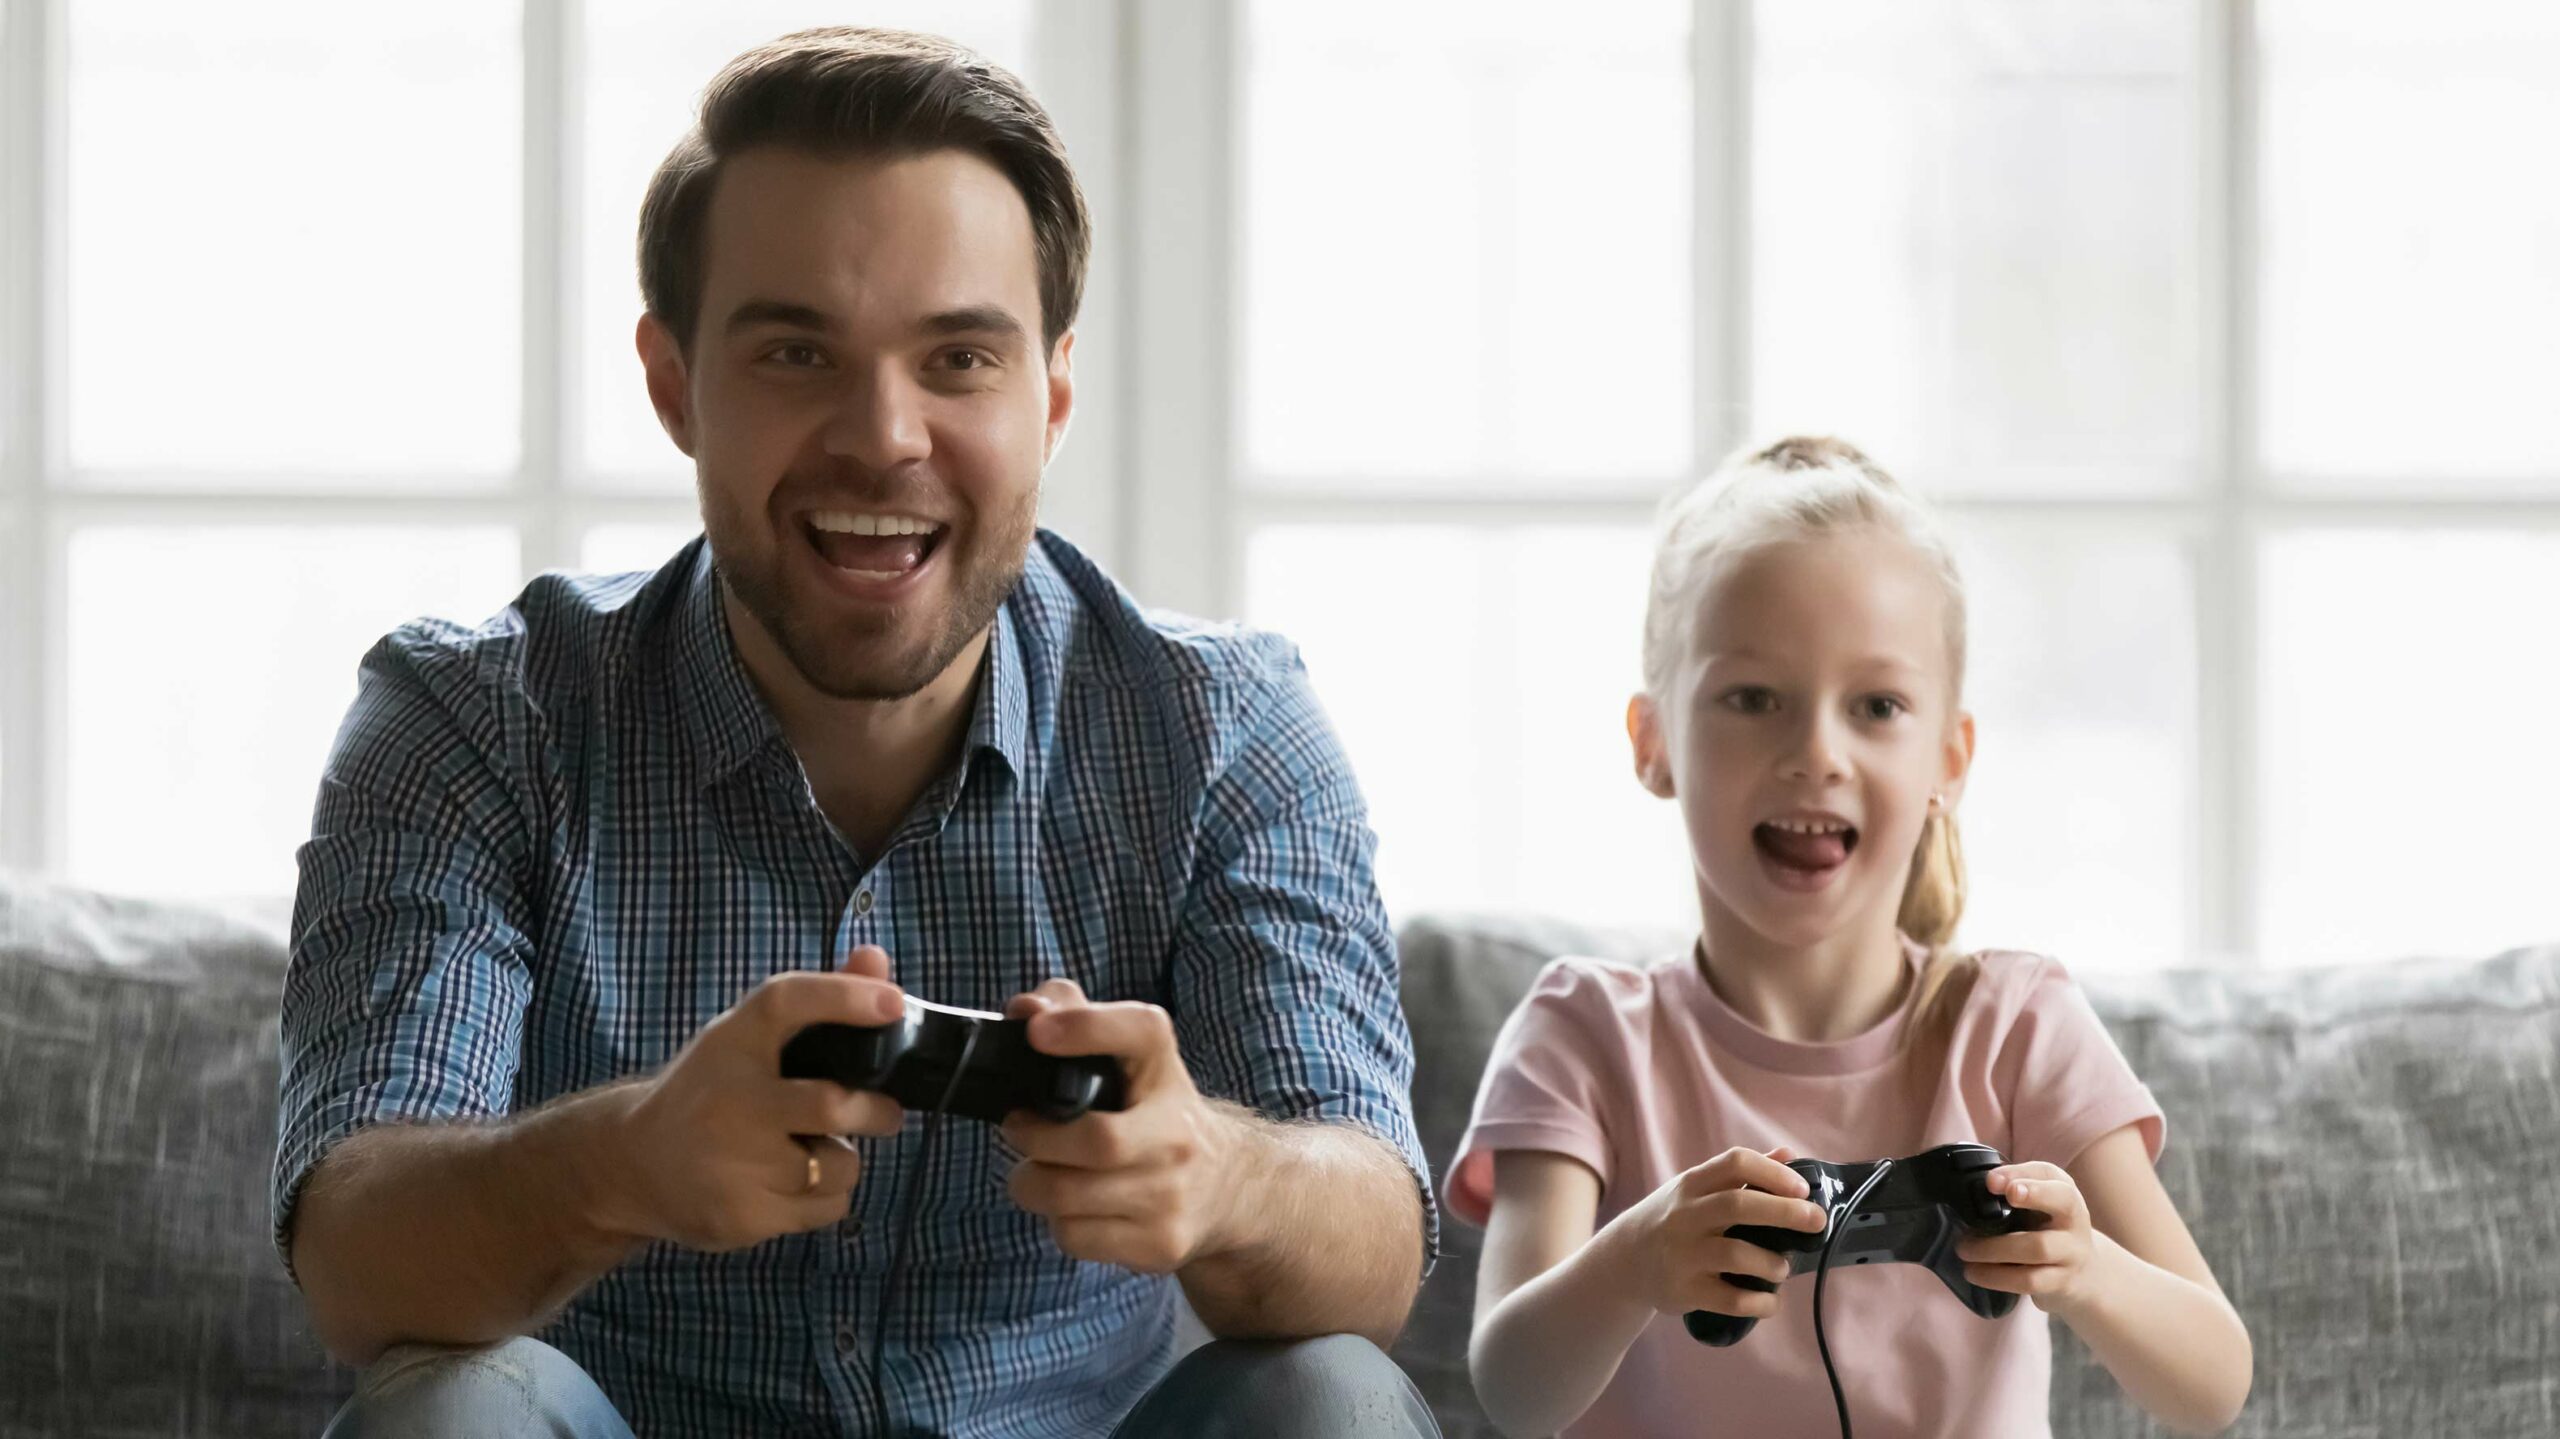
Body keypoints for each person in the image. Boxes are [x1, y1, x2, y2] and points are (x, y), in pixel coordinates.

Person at [273, 27, 1440, 1439]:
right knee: (442, 1415)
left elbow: (1379, 1240)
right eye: (794, 351)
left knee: (1338, 1391)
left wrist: (1226, 1174)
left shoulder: (1224, 728)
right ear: (675, 384)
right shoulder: (473, 722)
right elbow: (351, 1251)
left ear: (1051, 395)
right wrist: (625, 1159)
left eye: (958, 357)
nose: (882, 435)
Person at [1451, 438, 2252, 1437]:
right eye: (1752, 698)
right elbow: (1512, 1389)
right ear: (1653, 739)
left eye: (1875, 706)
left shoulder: (2016, 1025)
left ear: (1947, 759)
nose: (1815, 753)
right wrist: (1635, 1259)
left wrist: (2086, 1268)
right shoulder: (1586, 1033)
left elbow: (2214, 1379)